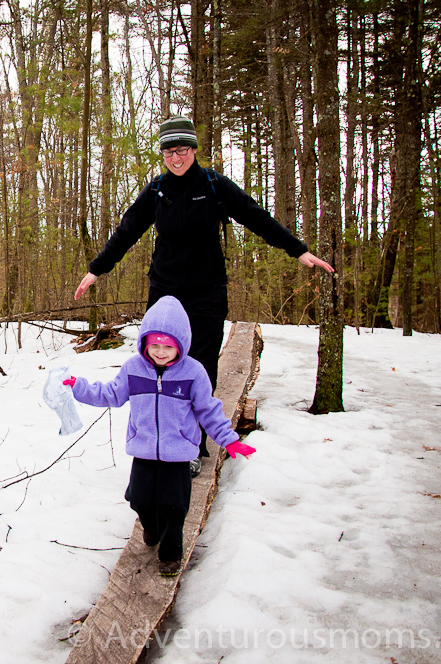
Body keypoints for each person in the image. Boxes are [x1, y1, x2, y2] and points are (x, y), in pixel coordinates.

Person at [74, 116, 333, 476]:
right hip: (165, 292)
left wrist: (298, 250)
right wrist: (96, 269)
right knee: (156, 363)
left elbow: (256, 217)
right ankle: (156, 439)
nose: (175, 158)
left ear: (194, 150)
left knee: (200, 364)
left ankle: (193, 445)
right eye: (168, 151)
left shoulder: (214, 185)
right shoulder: (157, 190)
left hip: (207, 289)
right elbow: (127, 229)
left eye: (181, 150)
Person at [62, 295, 255, 577]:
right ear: (145, 343)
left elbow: (209, 411)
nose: (161, 352)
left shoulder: (193, 373)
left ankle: (170, 554)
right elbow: (111, 394)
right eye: (154, 345)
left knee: (173, 506)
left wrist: (229, 438)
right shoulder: (133, 369)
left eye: (168, 346)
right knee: (138, 499)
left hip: (179, 453)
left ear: (181, 344)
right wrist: (78, 387)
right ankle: (150, 527)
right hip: (143, 449)